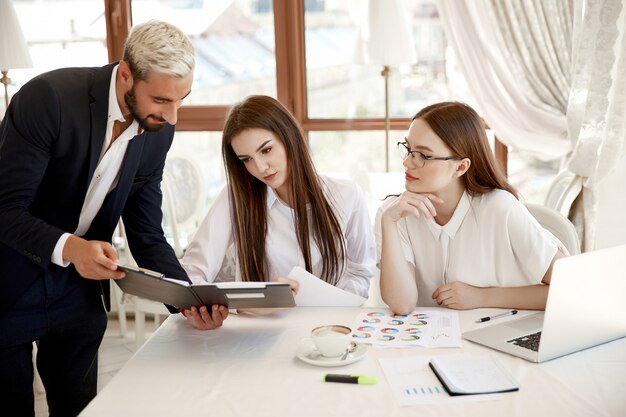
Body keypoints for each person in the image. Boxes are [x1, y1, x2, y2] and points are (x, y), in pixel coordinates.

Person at [0, 20, 226, 417]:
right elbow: (5, 209)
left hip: (79, 293)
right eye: (161, 100)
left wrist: (190, 300)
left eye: (182, 100)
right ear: (126, 74)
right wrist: (72, 248)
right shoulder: (47, 98)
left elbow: (146, 233)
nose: (172, 116)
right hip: (9, 284)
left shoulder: (159, 131)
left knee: (80, 408)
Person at [180, 95, 376, 327]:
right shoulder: (236, 198)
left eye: (266, 150)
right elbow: (192, 271)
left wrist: (326, 305)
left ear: (289, 136)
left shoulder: (347, 196)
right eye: (246, 159)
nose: (260, 168)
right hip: (260, 330)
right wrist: (212, 310)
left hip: (328, 327)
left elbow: (360, 274)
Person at [376, 101, 566, 315]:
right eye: (409, 150)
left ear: (461, 166)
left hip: (500, 334)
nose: (408, 162)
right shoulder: (394, 214)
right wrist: (389, 222)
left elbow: (570, 286)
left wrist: (482, 297)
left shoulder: (500, 208)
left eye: (424, 155)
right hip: (434, 343)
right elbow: (402, 305)